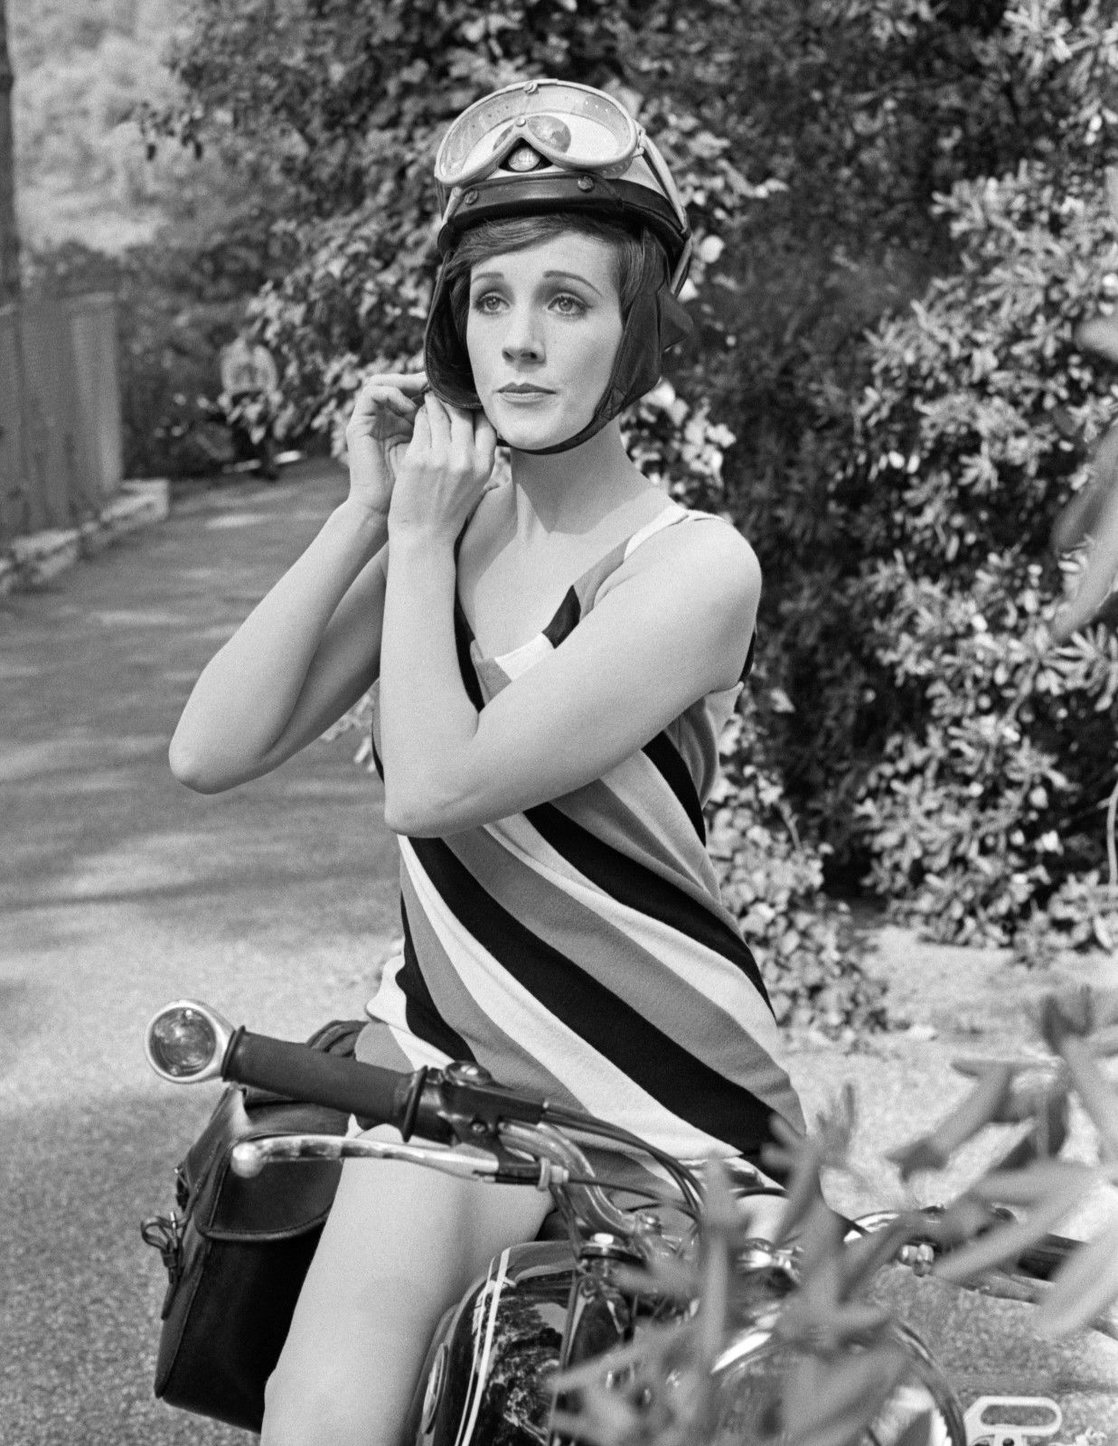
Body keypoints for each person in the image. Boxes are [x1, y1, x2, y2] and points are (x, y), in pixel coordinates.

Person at [169, 79, 805, 1446]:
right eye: (489, 299)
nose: (518, 339)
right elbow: (208, 748)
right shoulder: (438, 537)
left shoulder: (693, 567)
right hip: (449, 1073)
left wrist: (418, 539)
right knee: (318, 1414)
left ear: (635, 329)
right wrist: (366, 514)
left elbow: (435, 785)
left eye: (566, 301)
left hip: (666, 1097)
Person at [219, 320, 281, 480]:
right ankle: (262, 461)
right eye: (247, 329)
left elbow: (271, 377)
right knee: (249, 420)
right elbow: (228, 381)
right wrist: (239, 396)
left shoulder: (262, 353)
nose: (251, 333)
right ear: (241, 330)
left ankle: (269, 462)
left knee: (267, 418)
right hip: (241, 396)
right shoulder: (232, 354)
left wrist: (267, 393)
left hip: (261, 394)